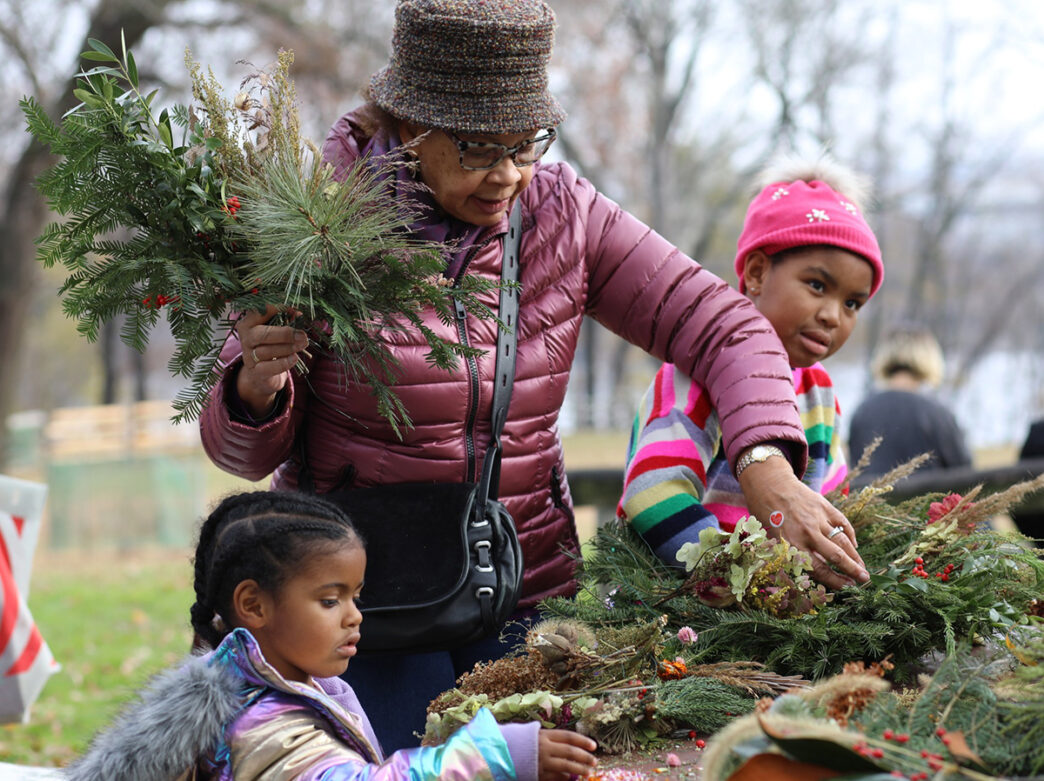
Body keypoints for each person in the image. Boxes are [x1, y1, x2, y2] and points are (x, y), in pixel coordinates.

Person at [200, 0, 867, 750]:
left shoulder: (563, 212)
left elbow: (723, 323)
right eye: (480, 149)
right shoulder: (316, 215)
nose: (508, 175)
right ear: (407, 124)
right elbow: (242, 452)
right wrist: (256, 385)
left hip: (522, 584)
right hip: (363, 606)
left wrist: (764, 463)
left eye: (527, 145)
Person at [66, 491, 598, 781]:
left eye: (355, 596)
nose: (354, 616)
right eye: (329, 600)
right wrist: (492, 757)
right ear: (253, 605)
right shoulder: (261, 724)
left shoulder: (274, 685)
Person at [619, 153, 883, 566]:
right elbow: (653, 494)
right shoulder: (696, 373)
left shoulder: (819, 392)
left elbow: (831, 501)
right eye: (817, 285)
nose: (833, 315)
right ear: (758, 273)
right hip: (677, 605)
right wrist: (742, 575)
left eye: (852, 303)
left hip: (773, 611)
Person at [847, 326, 972, 478]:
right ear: (930, 357)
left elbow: (854, 469)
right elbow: (964, 473)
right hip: (928, 500)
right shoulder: (937, 413)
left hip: (873, 500)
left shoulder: (862, 411)